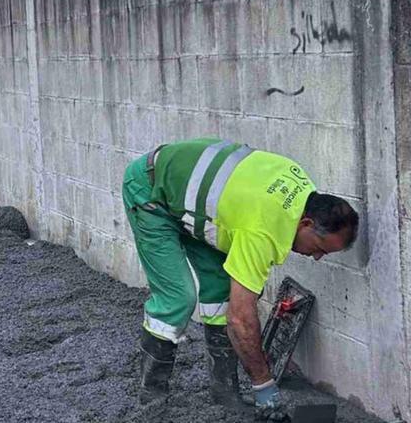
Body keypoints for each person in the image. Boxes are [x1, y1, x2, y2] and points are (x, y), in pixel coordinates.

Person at [122, 138, 358, 421]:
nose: (317, 257)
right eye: (319, 248)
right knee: (178, 298)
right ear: (306, 223)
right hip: (151, 192)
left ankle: (225, 393)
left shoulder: (301, 184)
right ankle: (152, 401)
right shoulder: (263, 230)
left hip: (190, 201)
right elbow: (240, 319)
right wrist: (264, 386)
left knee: (222, 289)